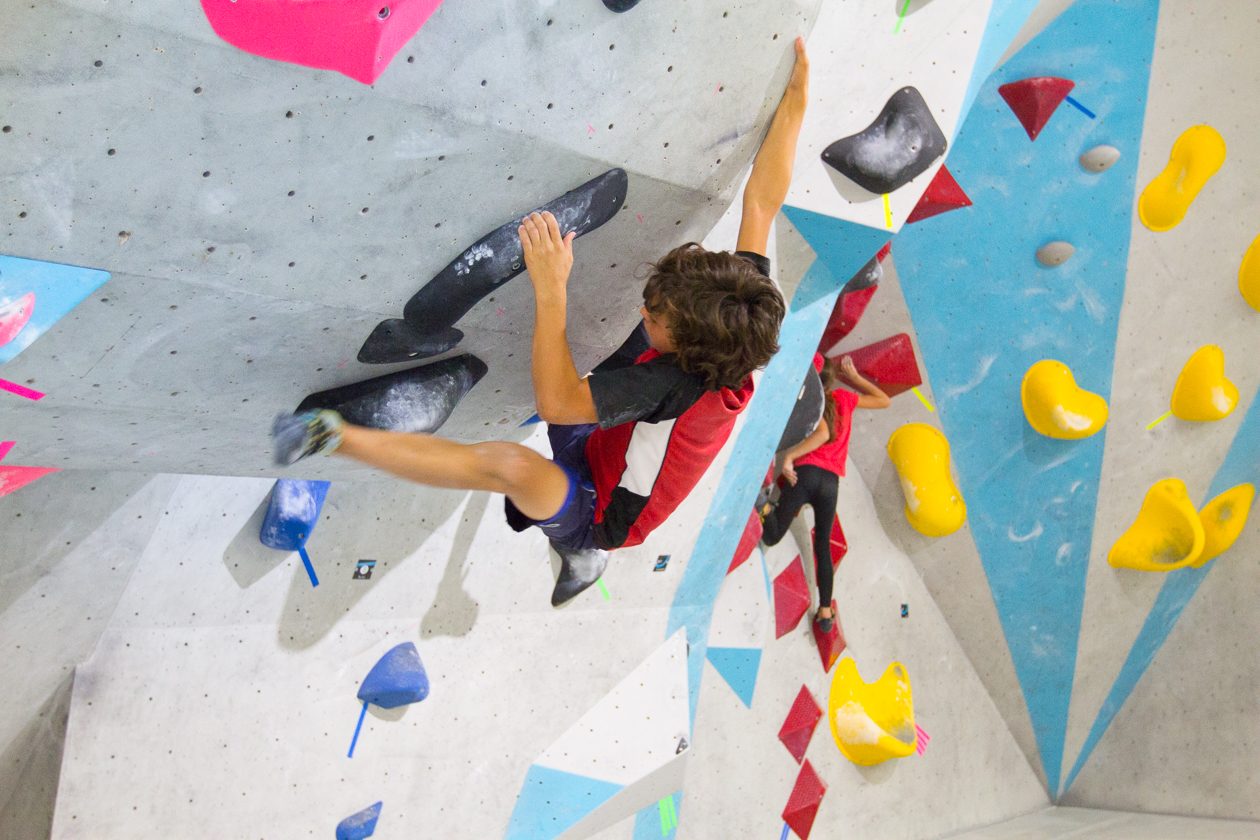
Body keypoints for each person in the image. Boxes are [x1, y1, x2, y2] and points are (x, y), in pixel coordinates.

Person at [271, 38, 811, 605]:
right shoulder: (737, 301)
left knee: (512, 468)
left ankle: (329, 437)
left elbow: (556, 403)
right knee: (598, 384)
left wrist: (551, 289)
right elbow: (761, 203)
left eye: (656, 318)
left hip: (604, 507)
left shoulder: (670, 385)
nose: (644, 312)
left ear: (687, 351)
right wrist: (796, 97)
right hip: (613, 441)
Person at [760, 353, 889, 631]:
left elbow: (823, 433)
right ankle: (826, 609)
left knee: (772, 535)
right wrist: (854, 378)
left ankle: (764, 506)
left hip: (805, 474)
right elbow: (884, 401)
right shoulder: (845, 398)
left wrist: (790, 458)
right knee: (823, 547)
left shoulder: (811, 404)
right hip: (830, 484)